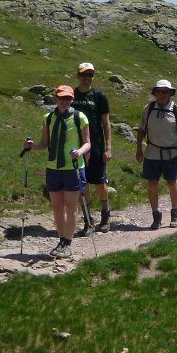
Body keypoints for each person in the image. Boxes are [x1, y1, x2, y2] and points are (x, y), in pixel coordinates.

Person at [23, 85, 90, 259]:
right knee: (57, 206)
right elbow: (44, 144)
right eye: (61, 98)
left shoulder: (80, 117)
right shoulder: (48, 118)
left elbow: (87, 143)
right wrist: (31, 147)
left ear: (72, 100)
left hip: (73, 167)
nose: (64, 101)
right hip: (53, 167)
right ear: (55, 99)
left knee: (71, 206)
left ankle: (67, 243)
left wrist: (80, 152)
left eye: (68, 98)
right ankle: (61, 240)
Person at [135, 79, 177, 230]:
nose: (162, 94)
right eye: (159, 91)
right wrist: (139, 149)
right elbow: (141, 130)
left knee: (172, 183)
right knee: (152, 184)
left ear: (170, 93)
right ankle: (156, 217)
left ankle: (175, 214)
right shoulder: (149, 108)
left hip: (172, 153)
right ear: (155, 93)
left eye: (166, 92)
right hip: (152, 152)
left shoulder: (176, 109)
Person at [72, 62, 113, 234]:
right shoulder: (71, 95)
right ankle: (88, 221)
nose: (86, 78)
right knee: (82, 184)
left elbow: (106, 123)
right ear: (78, 75)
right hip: (76, 147)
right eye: (83, 74)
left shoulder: (99, 96)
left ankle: (105, 216)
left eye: (89, 75)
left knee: (99, 183)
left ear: (93, 77)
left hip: (96, 146)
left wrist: (108, 147)